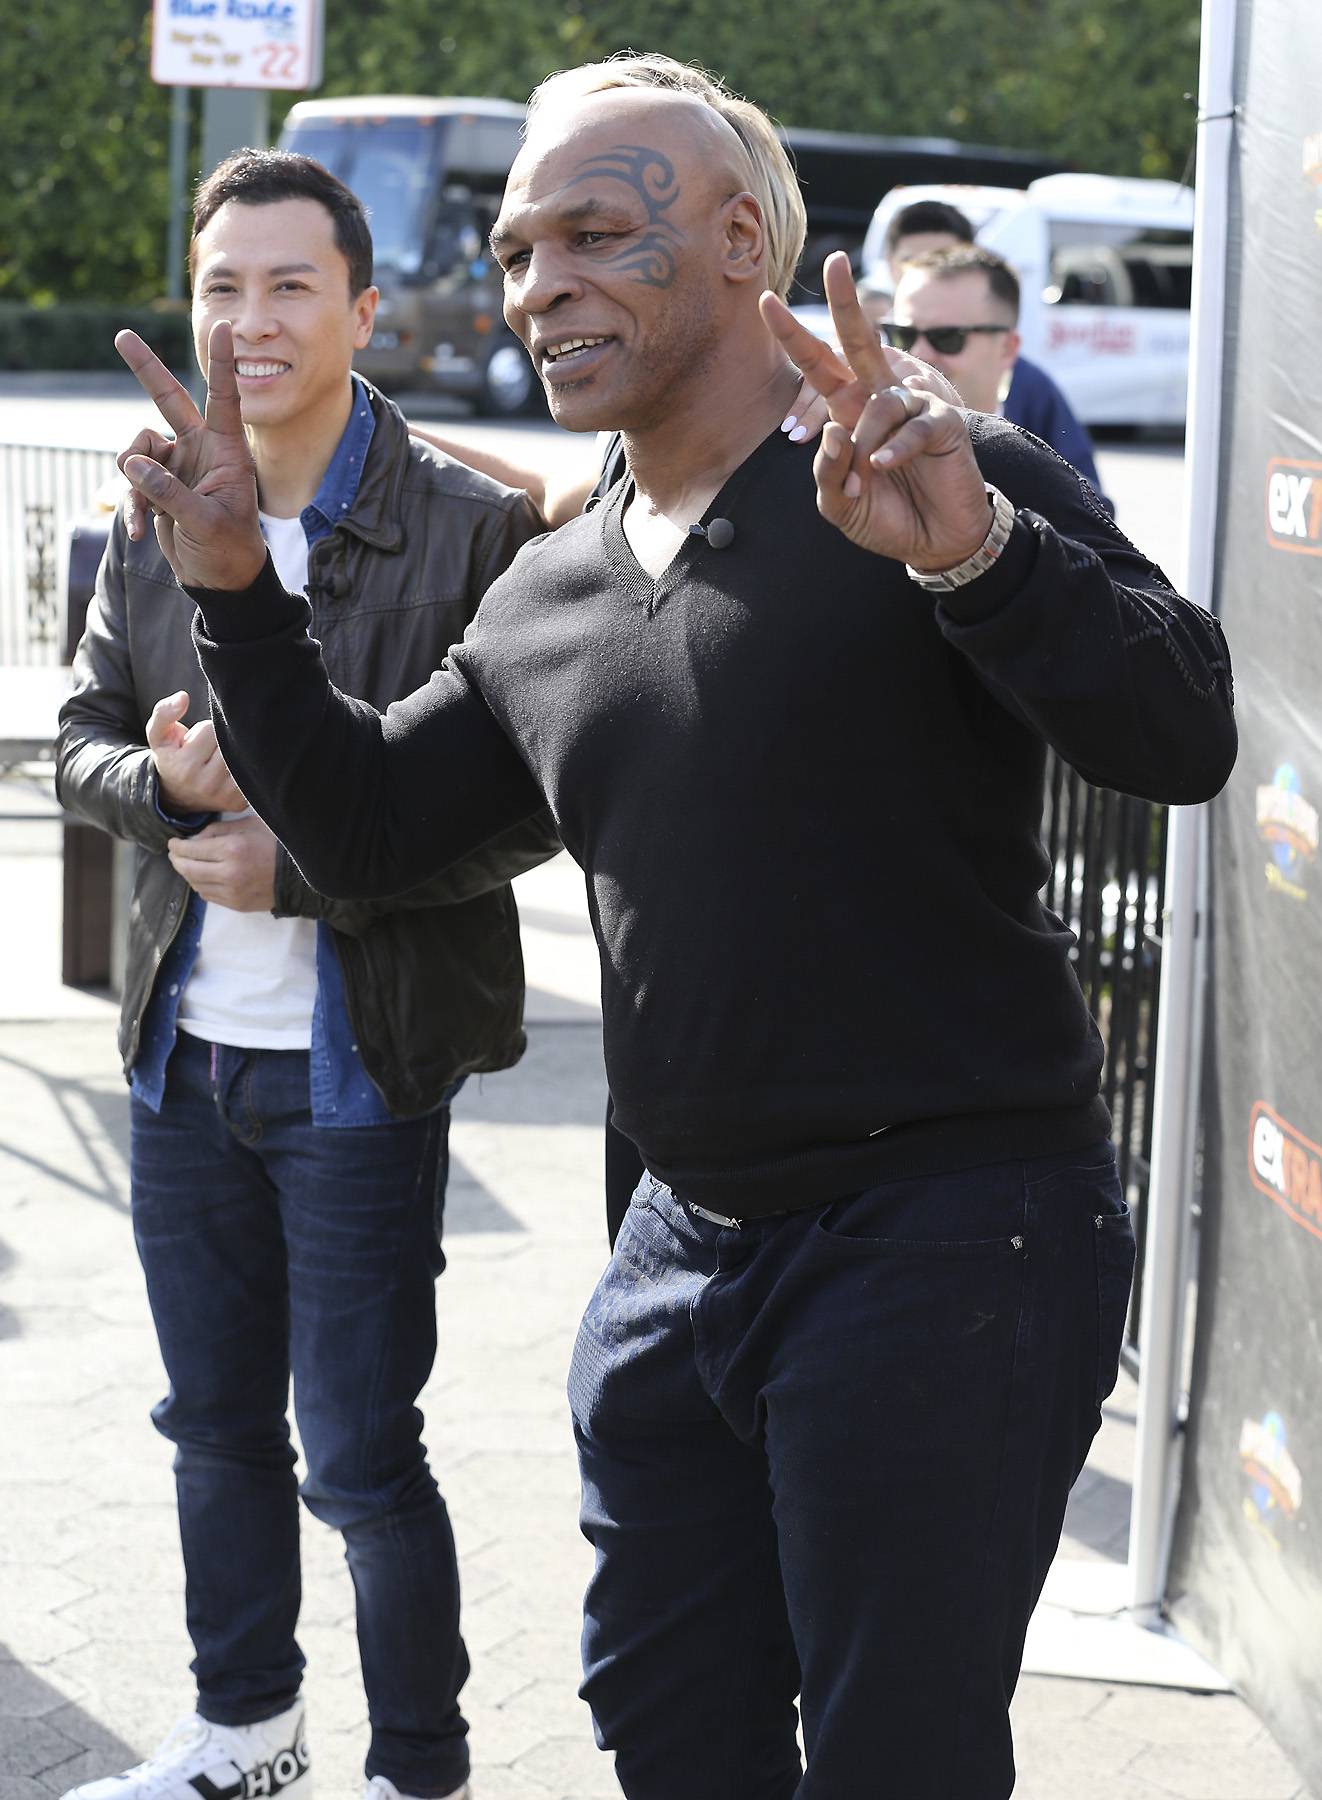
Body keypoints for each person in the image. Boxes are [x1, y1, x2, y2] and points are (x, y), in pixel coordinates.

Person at [110, 54, 1237, 1800]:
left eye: (589, 235)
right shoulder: (554, 585)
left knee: (890, 1762)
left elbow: (1180, 732)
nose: (534, 282)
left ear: (736, 241)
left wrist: (977, 557)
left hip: (945, 1240)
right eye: (509, 251)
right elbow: (371, 826)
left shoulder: (920, 465)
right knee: (669, 1731)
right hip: (677, 1256)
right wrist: (238, 600)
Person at [56, 149, 557, 1800]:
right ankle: (244, 1735)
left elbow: (532, 807)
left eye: (286, 285)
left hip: (359, 1067)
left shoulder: (473, 526)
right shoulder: (148, 510)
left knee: (356, 1455)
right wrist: (159, 788)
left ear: (361, 307)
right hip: (179, 1053)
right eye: (220, 286)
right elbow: (71, 747)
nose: (248, 319)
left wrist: (324, 861)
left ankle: (418, 1769)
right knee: (209, 1432)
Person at [880, 197, 1112, 505]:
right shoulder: (863, 407)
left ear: (1007, 348)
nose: (919, 353)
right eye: (902, 334)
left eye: (948, 337)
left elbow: (1095, 517)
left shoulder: (1033, 390)